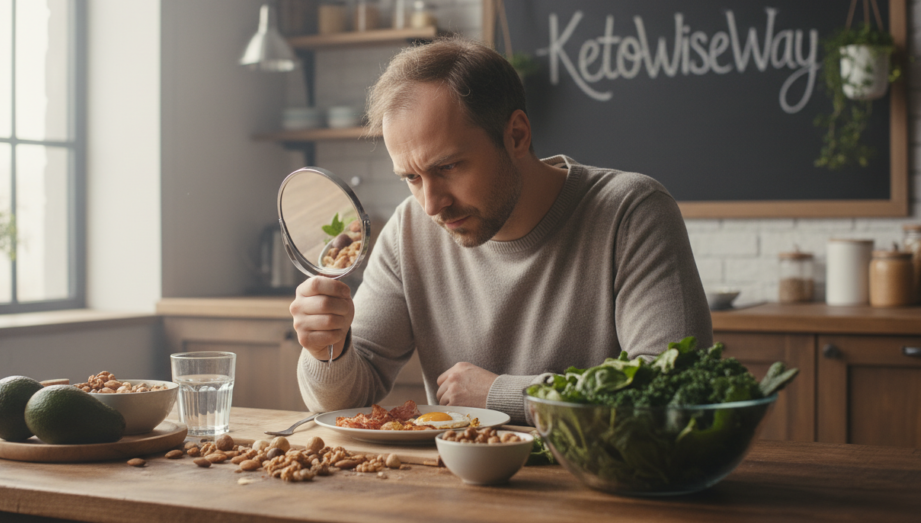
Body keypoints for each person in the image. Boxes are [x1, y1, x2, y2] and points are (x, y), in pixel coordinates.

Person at [290, 37, 712, 423]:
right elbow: (346, 402)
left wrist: (500, 394)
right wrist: (330, 350)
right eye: (412, 178)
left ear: (517, 135)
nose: (431, 204)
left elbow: (676, 398)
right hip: (458, 493)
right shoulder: (409, 230)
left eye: (448, 167)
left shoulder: (631, 213)